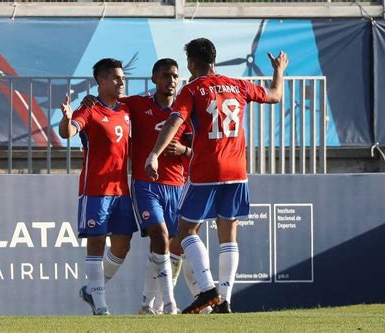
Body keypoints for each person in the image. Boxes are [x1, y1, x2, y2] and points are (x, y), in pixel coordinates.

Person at [145, 38, 288, 314]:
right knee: (228, 234)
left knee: (186, 230)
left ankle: (207, 288)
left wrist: (154, 154)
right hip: (237, 170)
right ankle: (225, 300)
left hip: (207, 169)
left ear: (192, 63)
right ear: (214, 59)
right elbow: (275, 95)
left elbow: (175, 121)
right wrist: (279, 69)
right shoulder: (238, 85)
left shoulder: (194, 89)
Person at [82, 59, 194, 315]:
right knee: (161, 237)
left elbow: (198, 150)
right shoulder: (137, 104)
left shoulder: (185, 110)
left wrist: (185, 150)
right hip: (146, 185)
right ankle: (169, 304)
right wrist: (90, 99)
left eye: (175, 76)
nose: (172, 81)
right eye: (166, 76)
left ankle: (144, 303)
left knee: (170, 246)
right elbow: (108, 106)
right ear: (154, 79)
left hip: (177, 184)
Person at [59, 58, 138, 316]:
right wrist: (67, 119)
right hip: (95, 189)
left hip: (121, 191)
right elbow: (68, 132)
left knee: (122, 245)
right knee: (96, 245)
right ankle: (101, 306)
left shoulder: (127, 109)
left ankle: (92, 289)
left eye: (122, 78)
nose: (121, 82)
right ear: (101, 81)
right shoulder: (90, 109)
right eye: (116, 78)